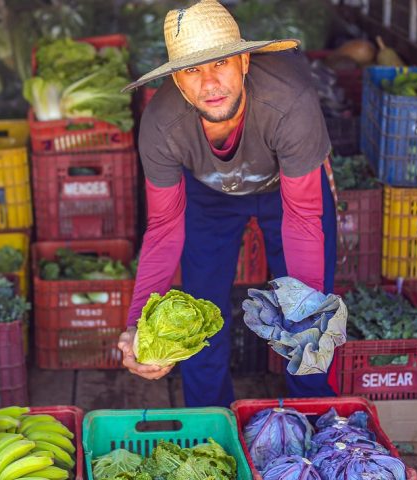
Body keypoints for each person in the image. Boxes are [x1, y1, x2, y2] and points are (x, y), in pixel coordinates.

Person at [116, 0, 340, 407]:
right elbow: (164, 228)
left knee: (307, 314)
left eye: (220, 64)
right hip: (207, 194)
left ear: (244, 62)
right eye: (192, 71)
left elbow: (305, 218)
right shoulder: (161, 125)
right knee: (200, 310)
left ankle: (314, 412)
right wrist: (137, 326)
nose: (209, 84)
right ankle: (209, 418)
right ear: (178, 83)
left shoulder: (290, 102)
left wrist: (306, 311)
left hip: (287, 193)